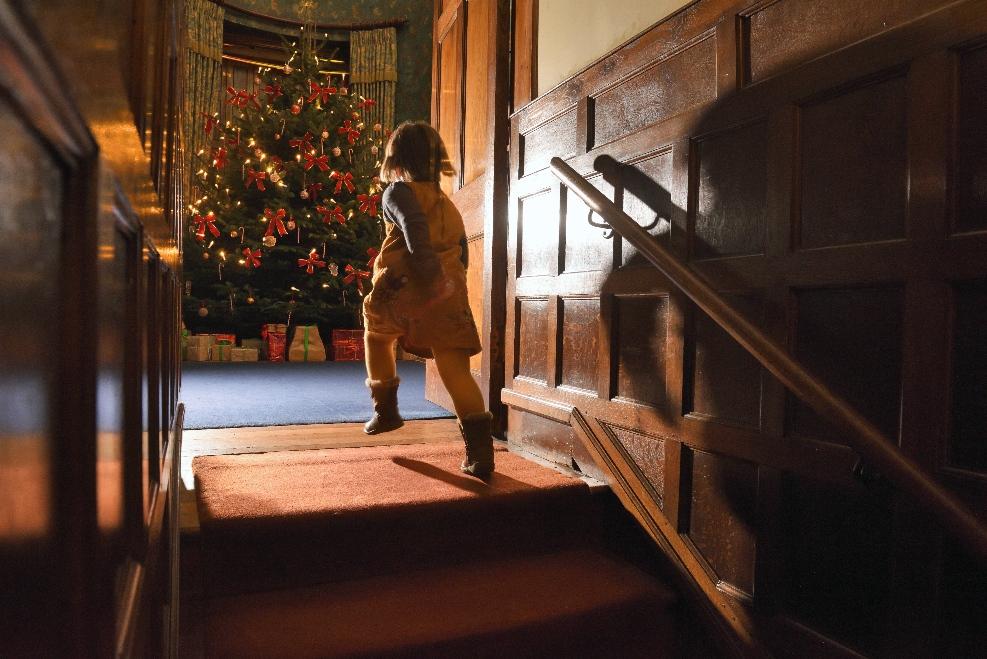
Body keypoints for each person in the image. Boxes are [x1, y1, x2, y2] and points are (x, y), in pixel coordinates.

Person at [360, 121, 494, 478]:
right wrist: (450, 282)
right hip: (448, 294)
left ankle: (386, 411)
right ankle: (481, 455)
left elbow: (414, 229)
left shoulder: (397, 192)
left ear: (397, 160)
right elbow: (463, 252)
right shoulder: (448, 205)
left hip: (404, 286)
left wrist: (428, 273)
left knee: (376, 334)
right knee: (456, 371)